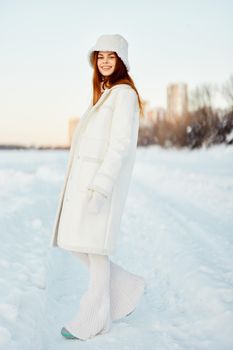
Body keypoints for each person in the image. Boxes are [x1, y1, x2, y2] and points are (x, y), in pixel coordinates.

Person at [50, 33, 146, 340]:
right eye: (100, 56)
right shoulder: (105, 93)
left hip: (99, 186)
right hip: (87, 184)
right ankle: (127, 287)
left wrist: (102, 186)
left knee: (94, 248)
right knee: (80, 244)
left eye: (111, 56)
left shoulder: (124, 95)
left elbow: (119, 146)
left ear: (121, 61)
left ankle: (93, 316)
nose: (105, 62)